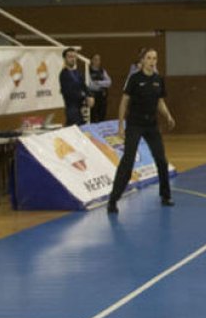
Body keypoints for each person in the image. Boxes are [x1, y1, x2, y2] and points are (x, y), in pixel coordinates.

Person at [109, 48, 176, 212]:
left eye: (155, 58)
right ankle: (113, 200)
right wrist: (120, 125)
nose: (152, 61)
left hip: (152, 125)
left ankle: (165, 195)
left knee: (161, 159)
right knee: (128, 161)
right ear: (143, 61)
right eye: (149, 58)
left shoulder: (159, 79)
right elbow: (124, 102)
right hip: (135, 125)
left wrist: (168, 116)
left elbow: (160, 101)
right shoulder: (134, 79)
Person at [59, 47, 93, 126]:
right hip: (72, 108)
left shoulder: (78, 73)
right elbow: (70, 92)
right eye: (70, 57)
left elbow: (84, 86)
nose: (72, 59)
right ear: (65, 59)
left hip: (81, 107)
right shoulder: (64, 74)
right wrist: (85, 97)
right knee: (74, 126)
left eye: (74, 57)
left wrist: (90, 96)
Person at [87, 54, 112, 123]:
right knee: (93, 118)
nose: (97, 61)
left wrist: (98, 82)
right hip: (94, 98)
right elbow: (90, 85)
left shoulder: (103, 71)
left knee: (102, 117)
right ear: (92, 60)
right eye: (95, 59)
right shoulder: (88, 71)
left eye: (99, 59)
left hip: (103, 98)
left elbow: (109, 82)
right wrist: (103, 84)